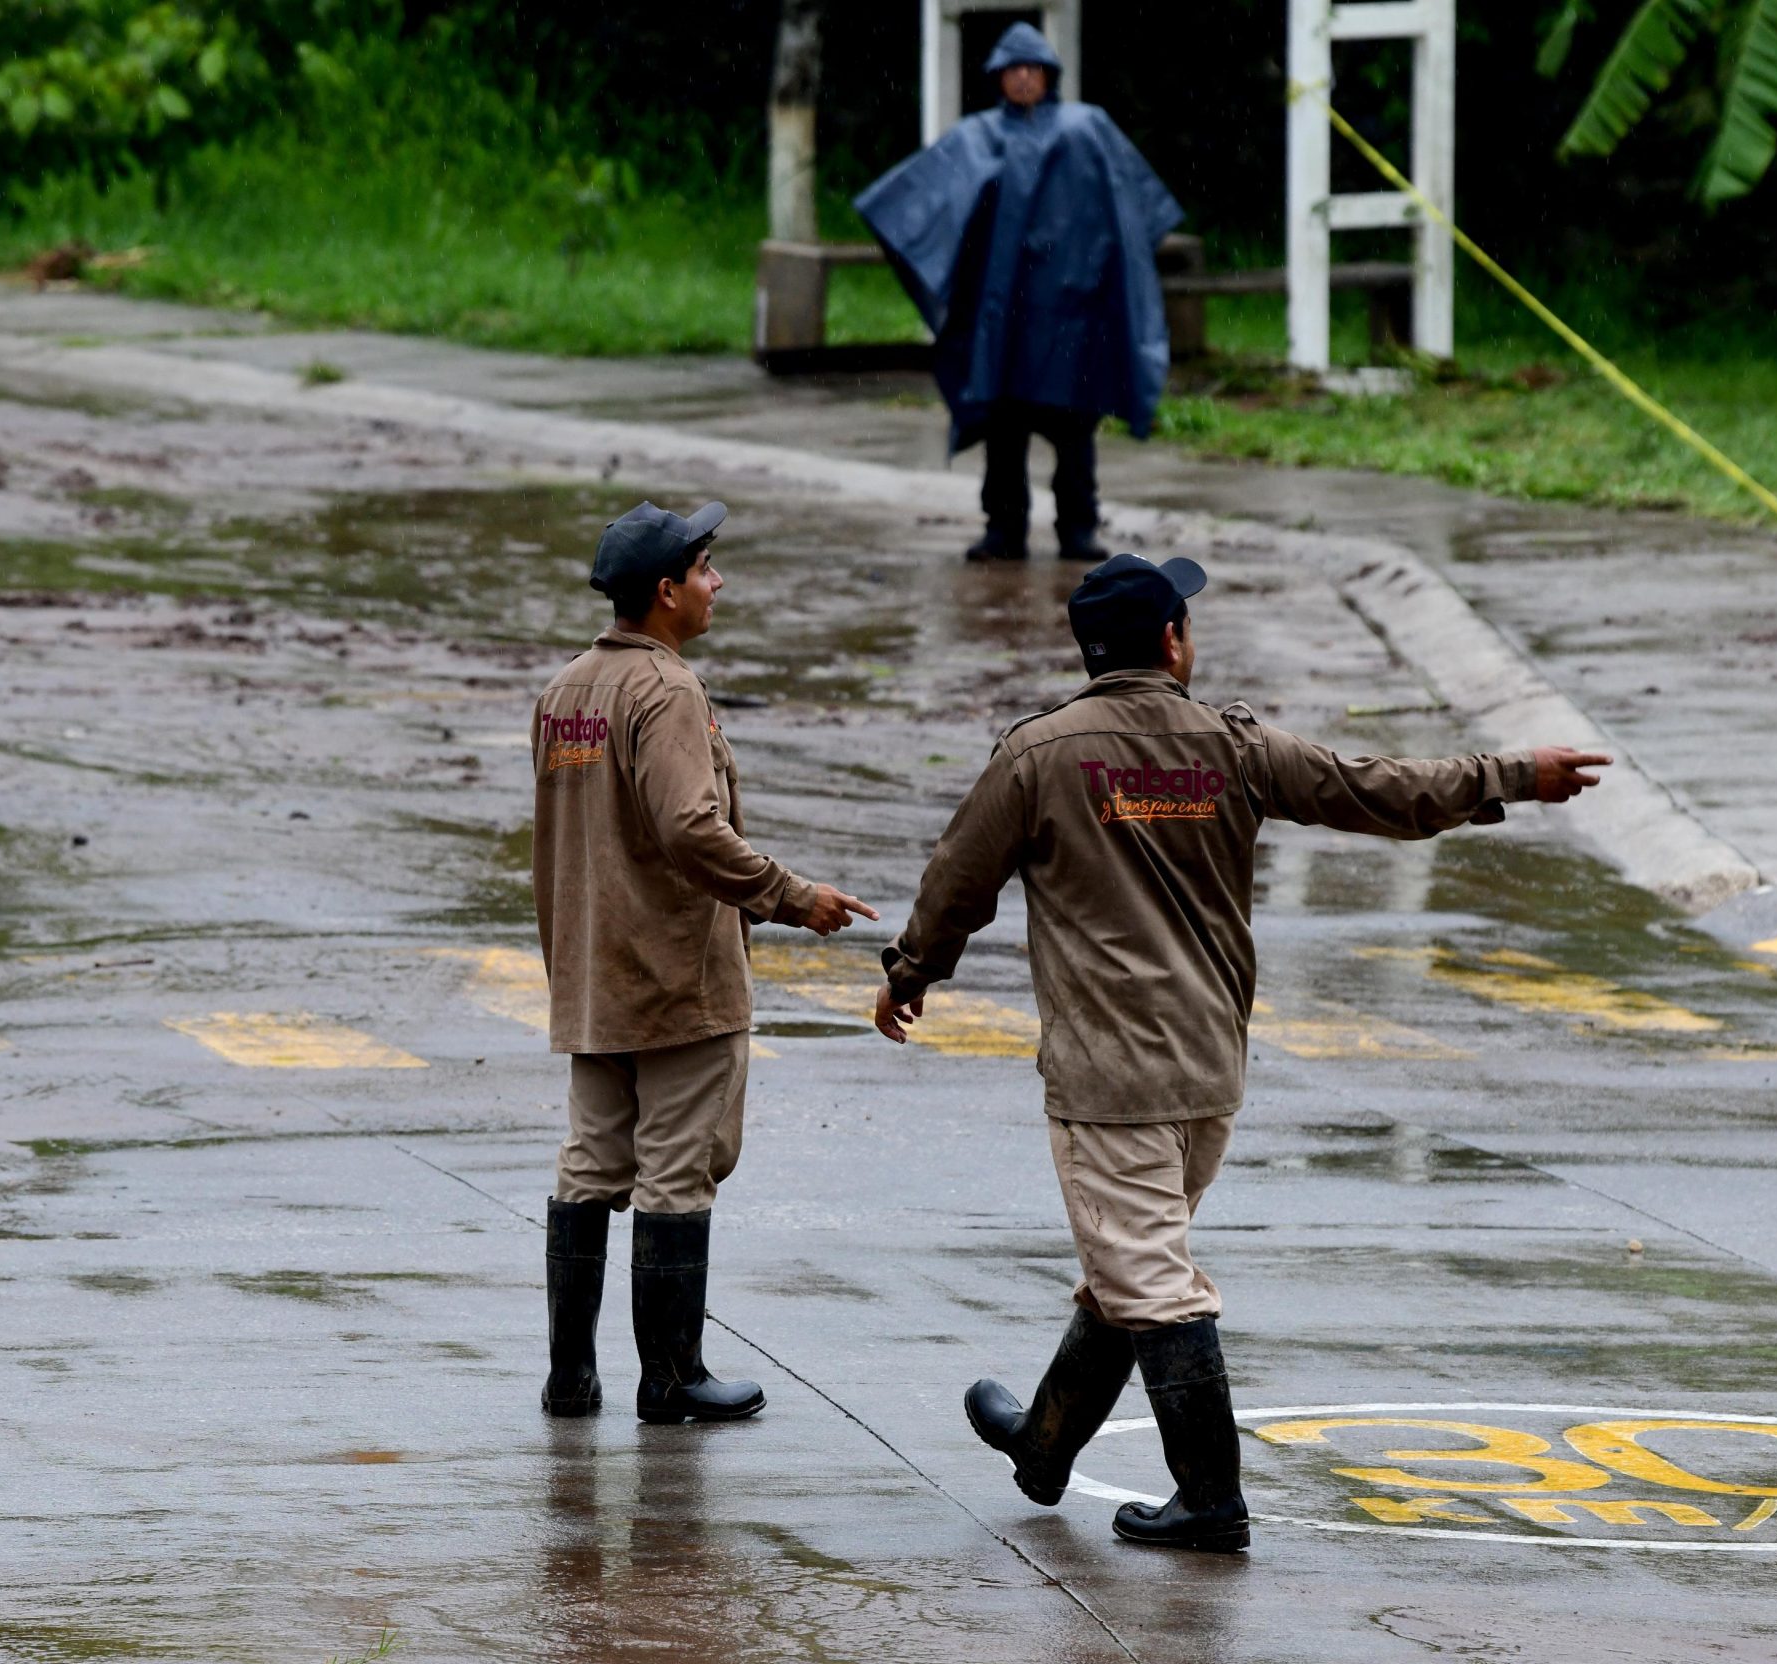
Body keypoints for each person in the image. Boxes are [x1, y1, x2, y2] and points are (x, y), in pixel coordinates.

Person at [870, 554, 1611, 1549]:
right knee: (1128, 1267)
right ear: (1171, 641)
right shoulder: (1230, 746)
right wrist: (1513, 775)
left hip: (1110, 1077)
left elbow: (956, 880)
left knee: (1150, 1281)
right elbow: (1375, 789)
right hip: (1209, 1072)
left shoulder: (1037, 756)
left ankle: (1210, 1499)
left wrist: (912, 971)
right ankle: (1044, 1443)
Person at [531, 499, 877, 1424]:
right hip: (676, 976)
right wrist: (790, 895)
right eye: (706, 568)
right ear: (665, 590)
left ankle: (571, 1377)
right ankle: (672, 1377)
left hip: (593, 973)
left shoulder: (567, 690)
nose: (717, 583)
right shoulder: (666, 691)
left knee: (590, 1164)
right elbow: (691, 826)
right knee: (677, 1169)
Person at [855, 22, 1183, 564]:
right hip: (1004, 315)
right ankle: (1004, 530)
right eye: (1013, 68)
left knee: (1076, 434)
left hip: (1074, 315)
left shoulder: (1088, 130)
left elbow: (1136, 214)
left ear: (1049, 74)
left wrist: (1097, 270)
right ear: (998, 78)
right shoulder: (976, 137)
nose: (1023, 77)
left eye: (1033, 67)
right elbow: (925, 209)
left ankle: (1078, 529)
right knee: (1005, 433)